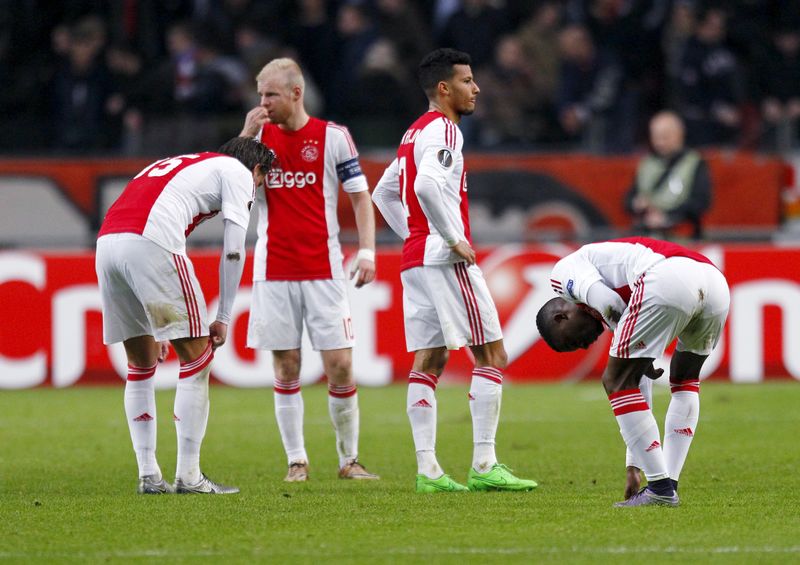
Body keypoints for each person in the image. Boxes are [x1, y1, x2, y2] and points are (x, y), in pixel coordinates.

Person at [372, 48, 538, 493]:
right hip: (442, 258)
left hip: (414, 259)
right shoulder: (445, 129)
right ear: (444, 89)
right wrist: (450, 238)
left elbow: (384, 193)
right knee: (492, 354)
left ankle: (428, 472)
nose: (476, 87)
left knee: (429, 360)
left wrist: (414, 234)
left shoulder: (413, 132)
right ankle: (484, 463)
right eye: (467, 80)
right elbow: (425, 186)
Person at [95, 137, 275, 494]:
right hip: (152, 243)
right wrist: (223, 314)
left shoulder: (185, 162)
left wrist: (157, 325)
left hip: (107, 244)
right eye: (261, 180)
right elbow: (235, 250)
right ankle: (189, 476)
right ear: (256, 170)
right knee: (198, 357)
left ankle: (149, 474)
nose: (256, 189)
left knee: (140, 364)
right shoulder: (238, 172)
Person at [239, 58, 379, 482]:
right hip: (274, 269)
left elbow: (360, 197)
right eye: (260, 95)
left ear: (296, 93)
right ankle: (296, 460)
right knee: (287, 365)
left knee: (340, 365)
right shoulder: (259, 137)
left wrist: (368, 251)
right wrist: (246, 138)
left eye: (271, 95)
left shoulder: (333, 137)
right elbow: (234, 193)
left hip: (323, 269)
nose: (263, 103)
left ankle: (348, 460)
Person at [536, 237, 730, 507]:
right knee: (684, 381)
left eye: (572, 342)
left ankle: (661, 489)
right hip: (714, 282)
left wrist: (638, 354)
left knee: (614, 379)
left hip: (668, 277)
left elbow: (609, 302)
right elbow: (638, 384)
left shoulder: (562, 275)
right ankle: (667, 484)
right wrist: (634, 464)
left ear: (561, 317)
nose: (583, 345)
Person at [625, 111, 712, 239]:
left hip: (682, 239)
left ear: (679, 135)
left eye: (665, 137)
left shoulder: (694, 163)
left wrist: (668, 217)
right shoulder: (647, 164)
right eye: (656, 137)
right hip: (649, 240)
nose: (660, 142)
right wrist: (637, 204)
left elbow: (700, 202)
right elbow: (628, 199)